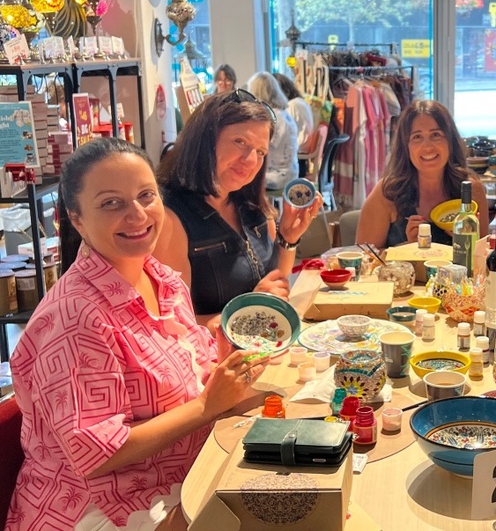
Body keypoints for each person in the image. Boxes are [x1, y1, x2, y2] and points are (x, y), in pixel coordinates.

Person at [6, 139, 270, 531]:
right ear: (76, 220)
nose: (137, 214)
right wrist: (207, 407)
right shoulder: (75, 317)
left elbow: (204, 381)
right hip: (97, 507)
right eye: (111, 203)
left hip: (178, 473)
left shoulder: (162, 280)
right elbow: (95, 454)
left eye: (146, 196)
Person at [154, 91, 323, 326]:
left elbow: (276, 283)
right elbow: (175, 325)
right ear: (205, 140)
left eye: (260, 152)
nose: (251, 160)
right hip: (214, 358)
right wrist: (249, 309)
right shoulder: (170, 217)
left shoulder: (249, 203)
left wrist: (288, 237)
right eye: (240, 142)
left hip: (260, 346)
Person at [356, 99, 489, 248]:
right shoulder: (387, 192)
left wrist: (469, 242)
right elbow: (365, 258)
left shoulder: (471, 190)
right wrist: (410, 247)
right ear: (406, 147)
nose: (427, 147)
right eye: (417, 137)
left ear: (450, 142)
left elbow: (482, 259)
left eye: (436, 135)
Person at [247, 72, 299, 190]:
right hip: (290, 172)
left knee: (240, 180)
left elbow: (262, 149)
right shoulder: (283, 113)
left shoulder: (272, 118)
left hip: (278, 177)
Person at [274, 72, 316, 153]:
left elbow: (283, 135)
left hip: (297, 152)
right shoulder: (300, 102)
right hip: (300, 150)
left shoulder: (292, 105)